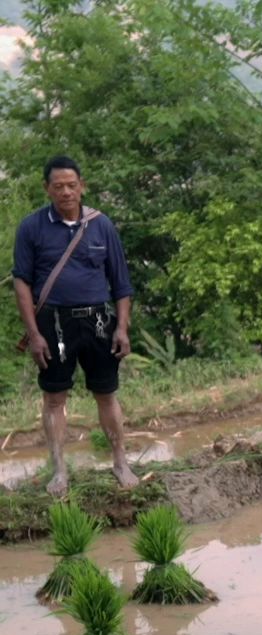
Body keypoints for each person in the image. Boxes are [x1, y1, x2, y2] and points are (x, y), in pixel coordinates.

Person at [12, 154, 136, 497]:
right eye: (58, 187)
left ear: (82, 187)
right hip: (53, 324)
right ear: (47, 189)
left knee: (106, 394)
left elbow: (121, 284)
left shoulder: (101, 225)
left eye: (71, 185)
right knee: (54, 398)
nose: (66, 192)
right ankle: (59, 470)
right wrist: (34, 334)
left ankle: (120, 462)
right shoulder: (32, 227)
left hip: (99, 323)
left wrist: (122, 328)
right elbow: (21, 283)